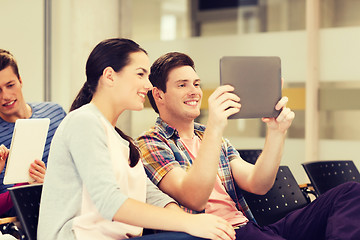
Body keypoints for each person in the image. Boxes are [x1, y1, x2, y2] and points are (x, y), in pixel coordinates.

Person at [136, 52, 360, 239]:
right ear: (159, 95)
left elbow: (259, 183)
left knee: (350, 192)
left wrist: (276, 132)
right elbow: (194, 198)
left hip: (250, 228)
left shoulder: (211, 137)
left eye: (196, 84)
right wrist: (215, 125)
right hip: (221, 234)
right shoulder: (151, 143)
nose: (194, 91)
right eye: (182, 85)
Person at [37, 38, 236, 240]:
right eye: (140, 74)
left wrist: (191, 222)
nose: (148, 85)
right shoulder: (83, 121)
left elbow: (151, 195)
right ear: (109, 76)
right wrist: (189, 223)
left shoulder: (120, 140)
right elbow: (110, 202)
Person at [0, 49, 66, 216]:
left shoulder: (56, 113)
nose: (5, 96)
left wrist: (51, 182)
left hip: (65, 211)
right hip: (18, 223)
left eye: (10, 85)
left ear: (20, 81)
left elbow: (78, 168)